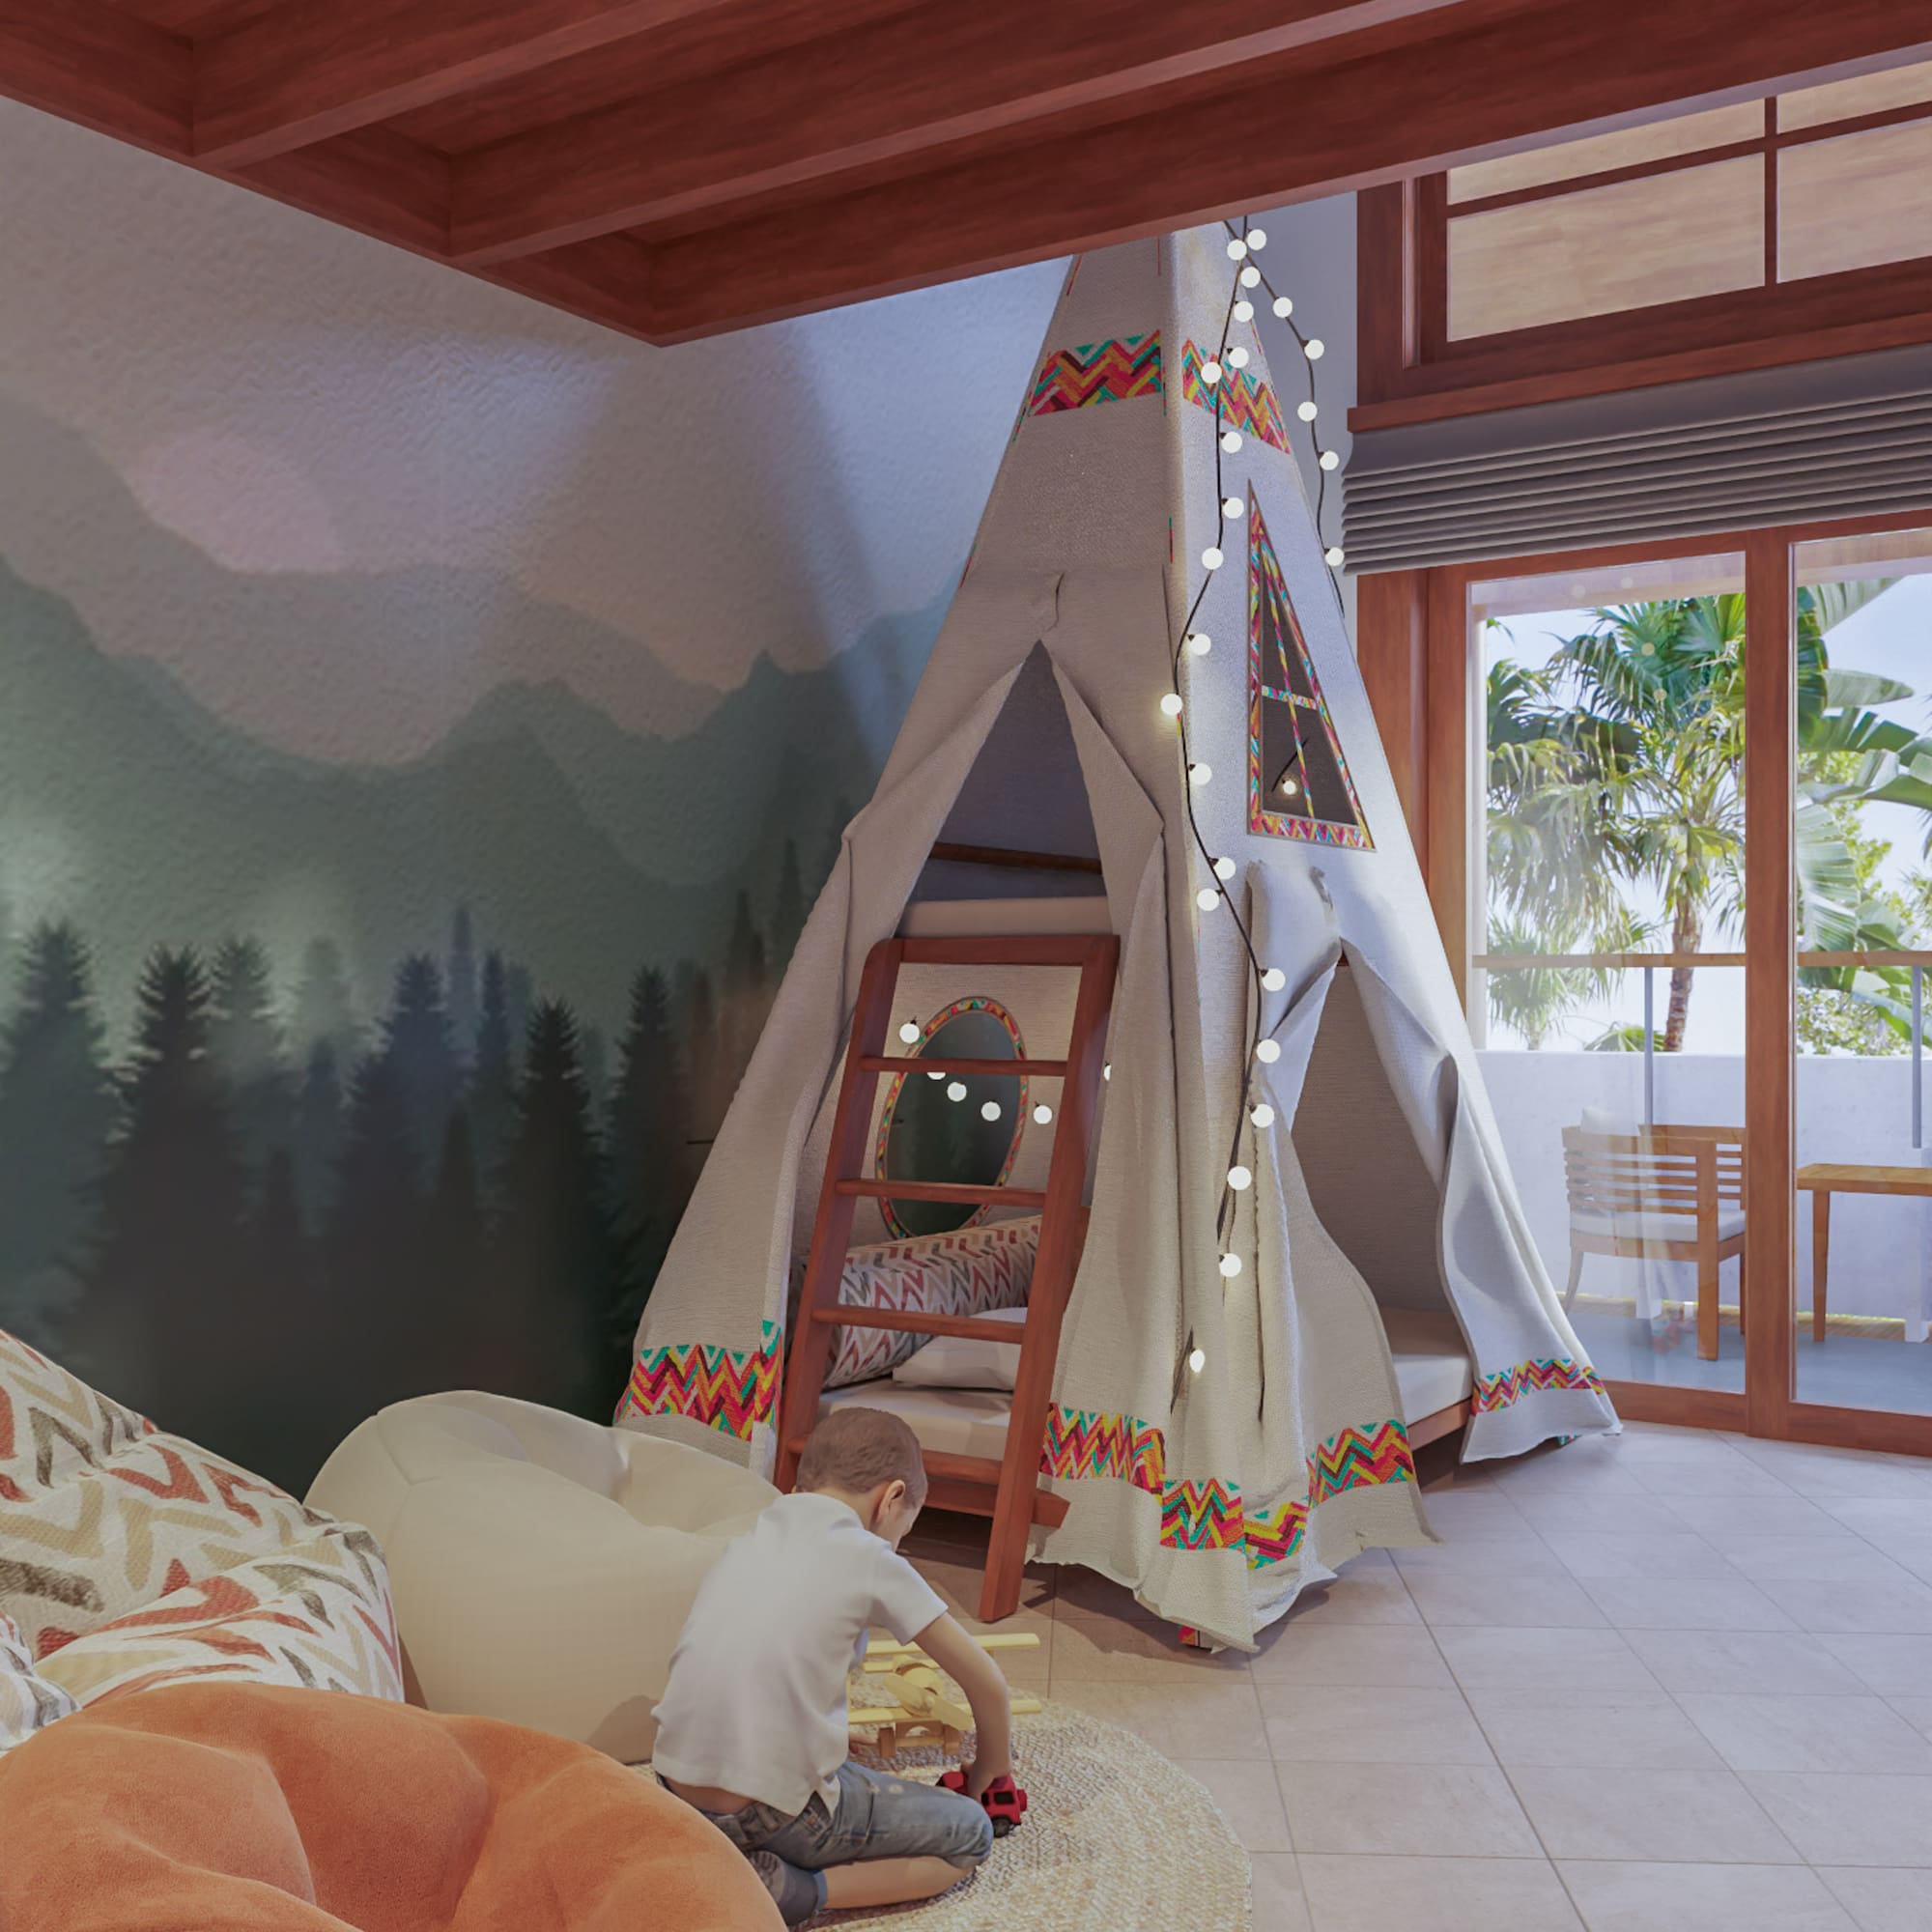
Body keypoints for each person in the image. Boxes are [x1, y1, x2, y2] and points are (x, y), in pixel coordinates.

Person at [653, 1406, 1013, 1925]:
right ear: (891, 1500)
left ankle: (731, 1856)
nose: (896, 1545)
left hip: (676, 1789)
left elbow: (756, 1663)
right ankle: (799, 1892)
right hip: (769, 1813)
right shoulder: (869, 1557)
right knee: (969, 1834)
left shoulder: (749, 1539)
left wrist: (822, 1729)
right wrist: (988, 1772)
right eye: (902, 1531)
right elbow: (988, 1684)